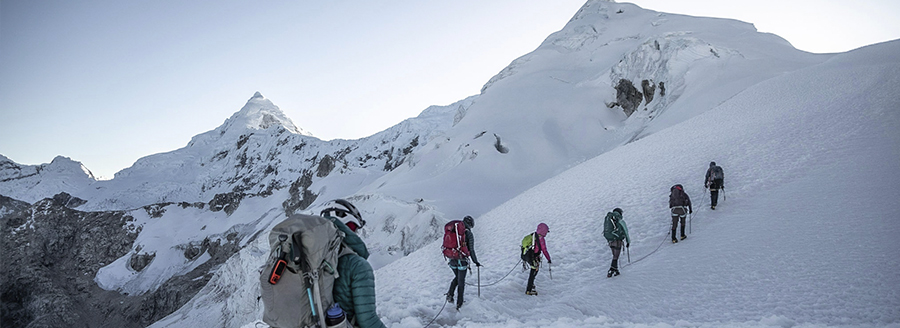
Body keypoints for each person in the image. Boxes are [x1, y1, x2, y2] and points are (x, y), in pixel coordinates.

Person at [321, 199, 387, 328]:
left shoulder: (310, 258)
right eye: (354, 228)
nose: (355, 233)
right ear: (348, 227)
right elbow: (368, 321)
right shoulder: (357, 265)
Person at [445, 215, 481, 310]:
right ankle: (459, 304)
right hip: (462, 260)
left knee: (457, 278)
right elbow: (471, 250)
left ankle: (450, 294)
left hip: (451, 259)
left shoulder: (454, 231)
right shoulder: (468, 234)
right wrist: (476, 262)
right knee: (461, 282)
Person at [523, 223, 552, 295]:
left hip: (529, 255)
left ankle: (531, 284)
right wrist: (548, 259)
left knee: (535, 270)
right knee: (533, 272)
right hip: (534, 257)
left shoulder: (534, 235)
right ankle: (529, 290)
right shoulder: (541, 239)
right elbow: (544, 250)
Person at [602, 208, 630, 277]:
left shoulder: (609, 218)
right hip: (617, 240)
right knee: (616, 256)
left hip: (610, 239)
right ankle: (611, 269)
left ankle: (616, 270)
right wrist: (628, 241)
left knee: (615, 256)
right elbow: (626, 231)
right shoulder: (619, 220)